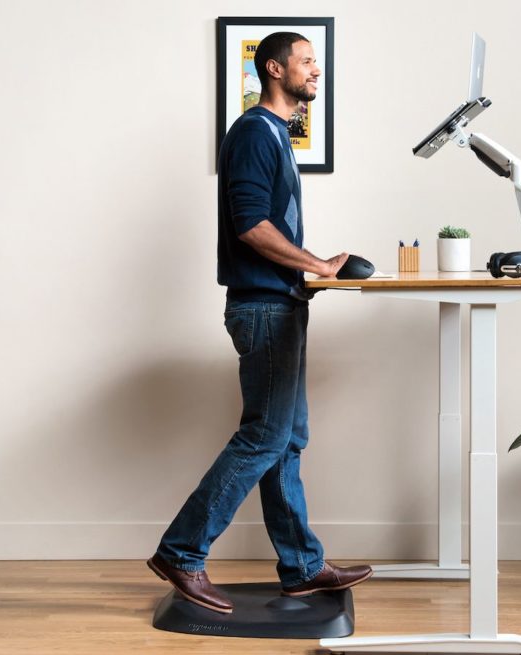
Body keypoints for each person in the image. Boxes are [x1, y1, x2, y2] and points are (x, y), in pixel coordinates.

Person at [147, 32, 372, 614]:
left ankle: (301, 567)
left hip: (281, 303)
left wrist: (311, 271)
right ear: (275, 69)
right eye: (306, 61)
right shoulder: (253, 132)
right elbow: (249, 224)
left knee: (287, 439)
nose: (315, 70)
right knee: (265, 436)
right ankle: (181, 551)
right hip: (263, 309)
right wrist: (316, 264)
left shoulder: (276, 134)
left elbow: (268, 227)